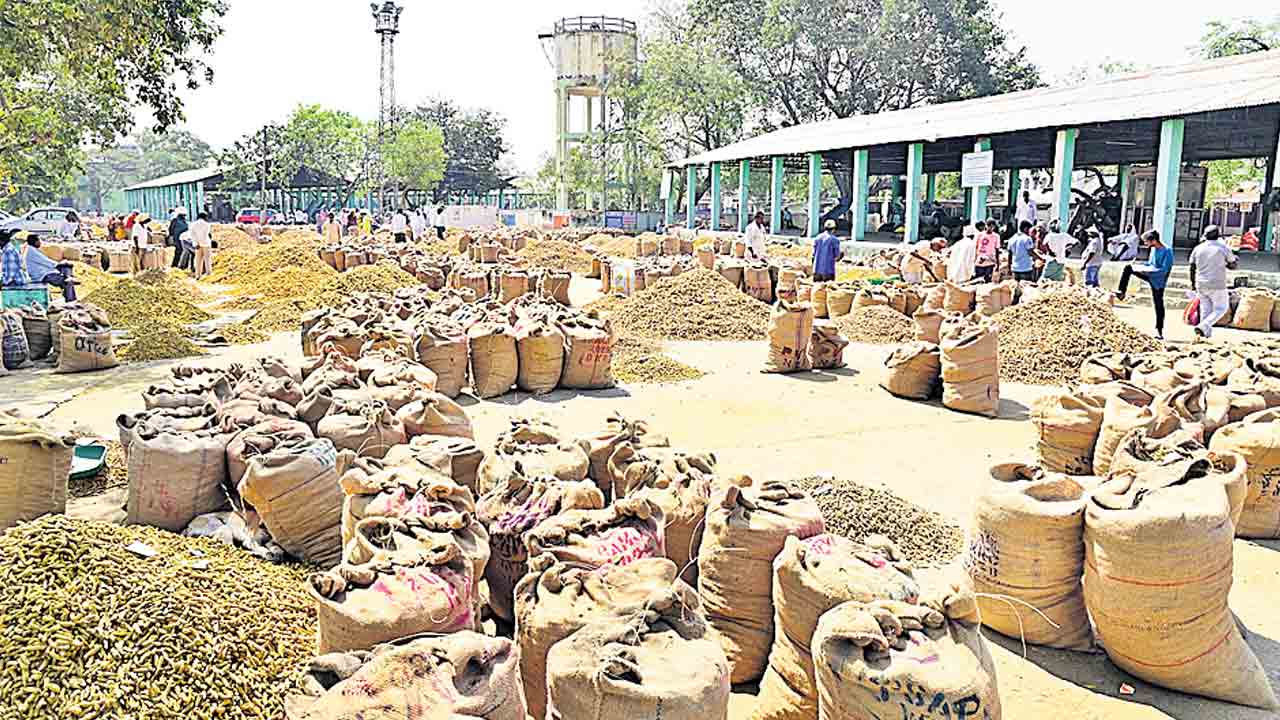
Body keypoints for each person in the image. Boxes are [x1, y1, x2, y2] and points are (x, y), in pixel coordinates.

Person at [1116, 230, 1174, 339]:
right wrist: (1141, 267)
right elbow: (1150, 264)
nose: (1145, 244)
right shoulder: (1153, 249)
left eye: (1146, 241)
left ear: (1154, 240)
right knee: (1128, 268)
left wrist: (1149, 271)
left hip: (1158, 280)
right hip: (1149, 273)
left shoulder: (1167, 251)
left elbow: (1165, 270)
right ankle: (1121, 292)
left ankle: (1159, 330)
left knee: (1158, 305)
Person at [1189, 225, 1238, 339]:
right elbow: (1233, 265)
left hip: (1201, 283)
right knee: (1222, 308)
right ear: (1218, 235)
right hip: (1217, 284)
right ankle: (1203, 326)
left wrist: (1193, 284)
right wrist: (1234, 261)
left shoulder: (1198, 248)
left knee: (1206, 310)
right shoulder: (1223, 248)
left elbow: (1192, 267)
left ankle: (1204, 336)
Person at [24, 235, 78, 301]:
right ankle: (70, 299)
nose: (40, 242)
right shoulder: (32, 251)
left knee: (66, 268)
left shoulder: (32, 250)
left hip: (45, 273)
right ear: (34, 241)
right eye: (39, 240)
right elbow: (45, 261)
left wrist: (59, 264)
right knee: (67, 281)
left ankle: (68, 277)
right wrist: (58, 264)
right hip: (42, 275)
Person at [190, 211, 213, 279]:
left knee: (198, 260)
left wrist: (196, 243)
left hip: (197, 244)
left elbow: (192, 235)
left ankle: (198, 275)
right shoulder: (207, 224)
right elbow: (207, 234)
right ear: (205, 217)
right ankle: (208, 274)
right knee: (207, 260)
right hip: (206, 243)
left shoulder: (193, 224)